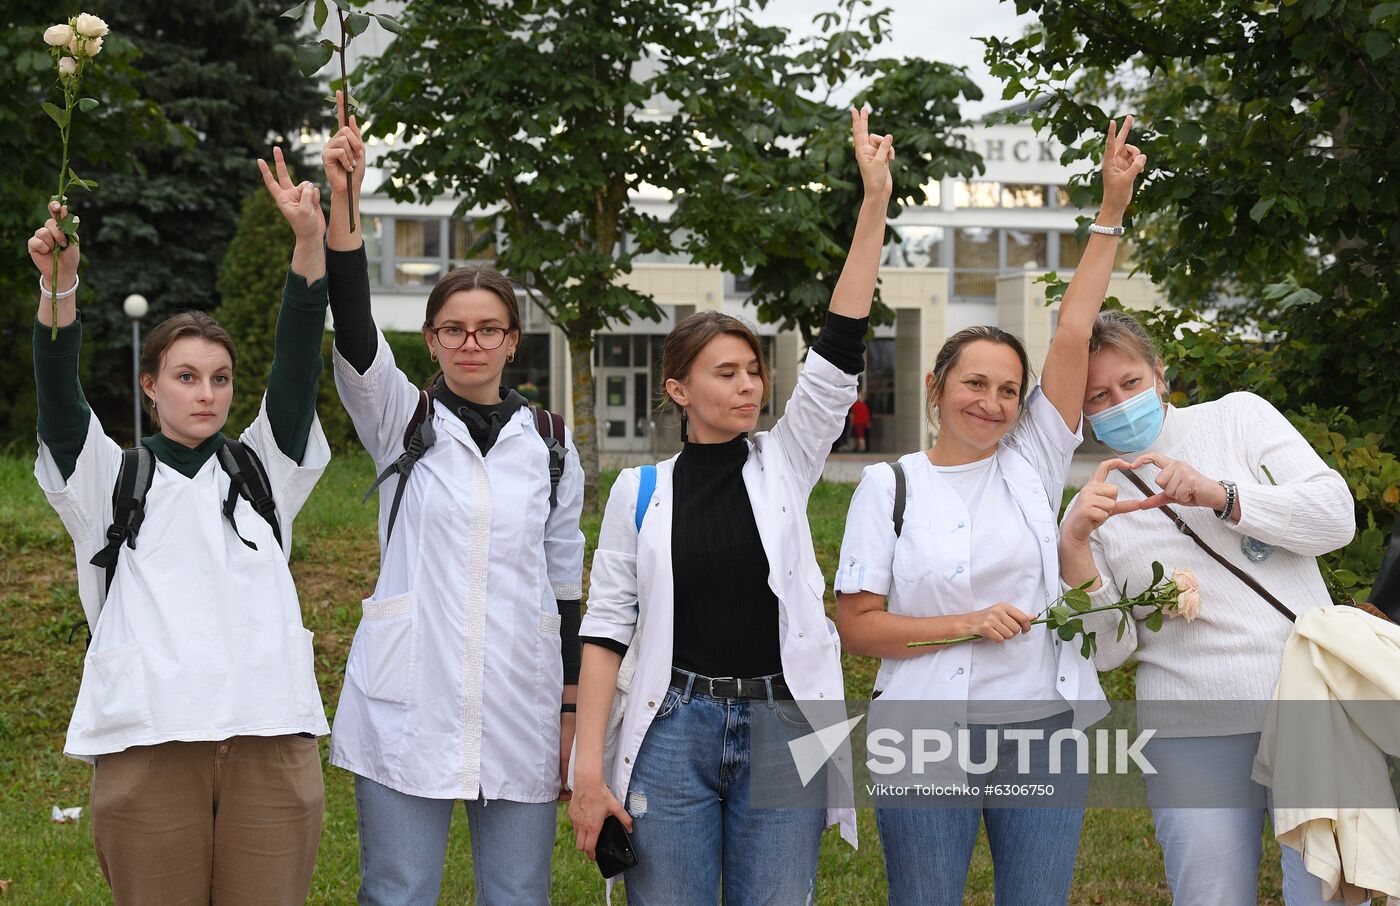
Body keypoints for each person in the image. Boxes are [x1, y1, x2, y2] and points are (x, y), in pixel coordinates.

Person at [567, 105, 890, 903]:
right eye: (725, 373)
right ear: (679, 390)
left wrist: (874, 202)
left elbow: (839, 347)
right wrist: (587, 768)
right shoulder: (640, 493)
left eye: (753, 370)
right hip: (673, 730)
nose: (748, 385)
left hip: (781, 725)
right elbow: (604, 632)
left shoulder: (785, 461)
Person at [833, 118, 1147, 905]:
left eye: (1009, 389)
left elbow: (1074, 330)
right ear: (937, 388)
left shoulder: (1033, 461)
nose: (994, 402)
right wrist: (967, 624)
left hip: (1040, 731)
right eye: (975, 384)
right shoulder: (889, 486)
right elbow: (859, 628)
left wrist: (1112, 205)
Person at [29, 154, 332, 904]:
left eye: (221, 378)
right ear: (150, 384)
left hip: (269, 737)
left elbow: (297, 366)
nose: (206, 393)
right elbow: (60, 400)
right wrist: (59, 287)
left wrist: (308, 245)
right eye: (186, 376)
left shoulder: (263, 469)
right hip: (148, 741)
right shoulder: (110, 478)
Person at [319, 96, 586, 906]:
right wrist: (345, 204)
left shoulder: (550, 442)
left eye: (489, 328)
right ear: (431, 339)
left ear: (513, 340)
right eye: (454, 329)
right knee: (399, 891)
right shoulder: (401, 418)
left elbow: (565, 584)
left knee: (518, 895)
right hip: (411, 698)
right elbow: (355, 329)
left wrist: (571, 712)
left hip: (519, 702)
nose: (472, 343)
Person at [1058, 309, 1354, 905]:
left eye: (1130, 383)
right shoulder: (1093, 507)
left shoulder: (1237, 417)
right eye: (1099, 396)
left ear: (1159, 374)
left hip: (1306, 701)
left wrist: (1224, 496)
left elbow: (1336, 518)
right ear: (1082, 412)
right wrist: (1075, 550)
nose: (1120, 403)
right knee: (1208, 894)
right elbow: (1111, 650)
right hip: (1189, 727)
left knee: (1327, 892)